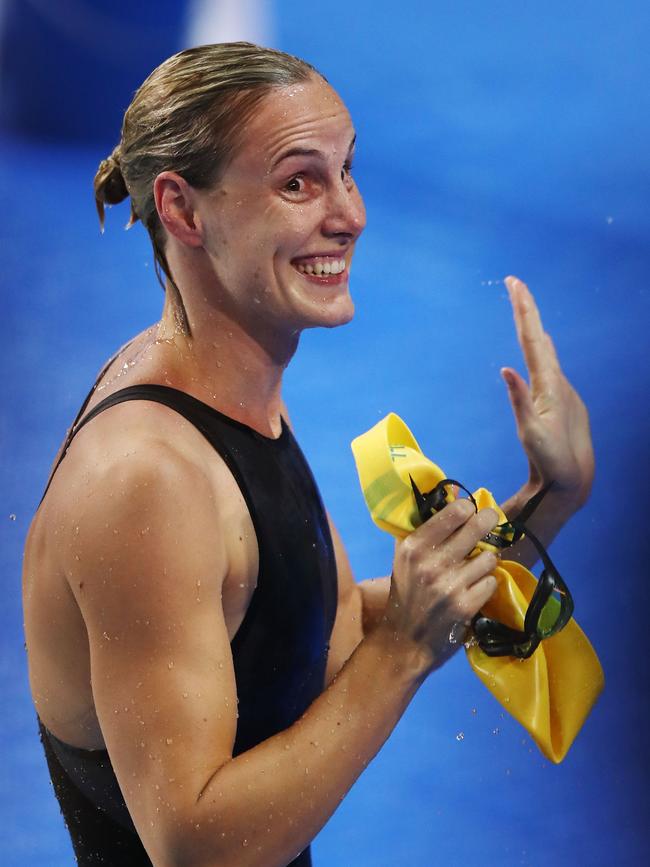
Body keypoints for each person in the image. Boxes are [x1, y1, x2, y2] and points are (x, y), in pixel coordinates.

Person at [22, 42, 594, 867]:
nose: (351, 214)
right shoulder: (145, 481)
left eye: (345, 172)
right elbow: (192, 846)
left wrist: (548, 498)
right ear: (183, 211)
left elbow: (298, 632)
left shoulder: (227, 386)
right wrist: (402, 654)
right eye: (298, 182)